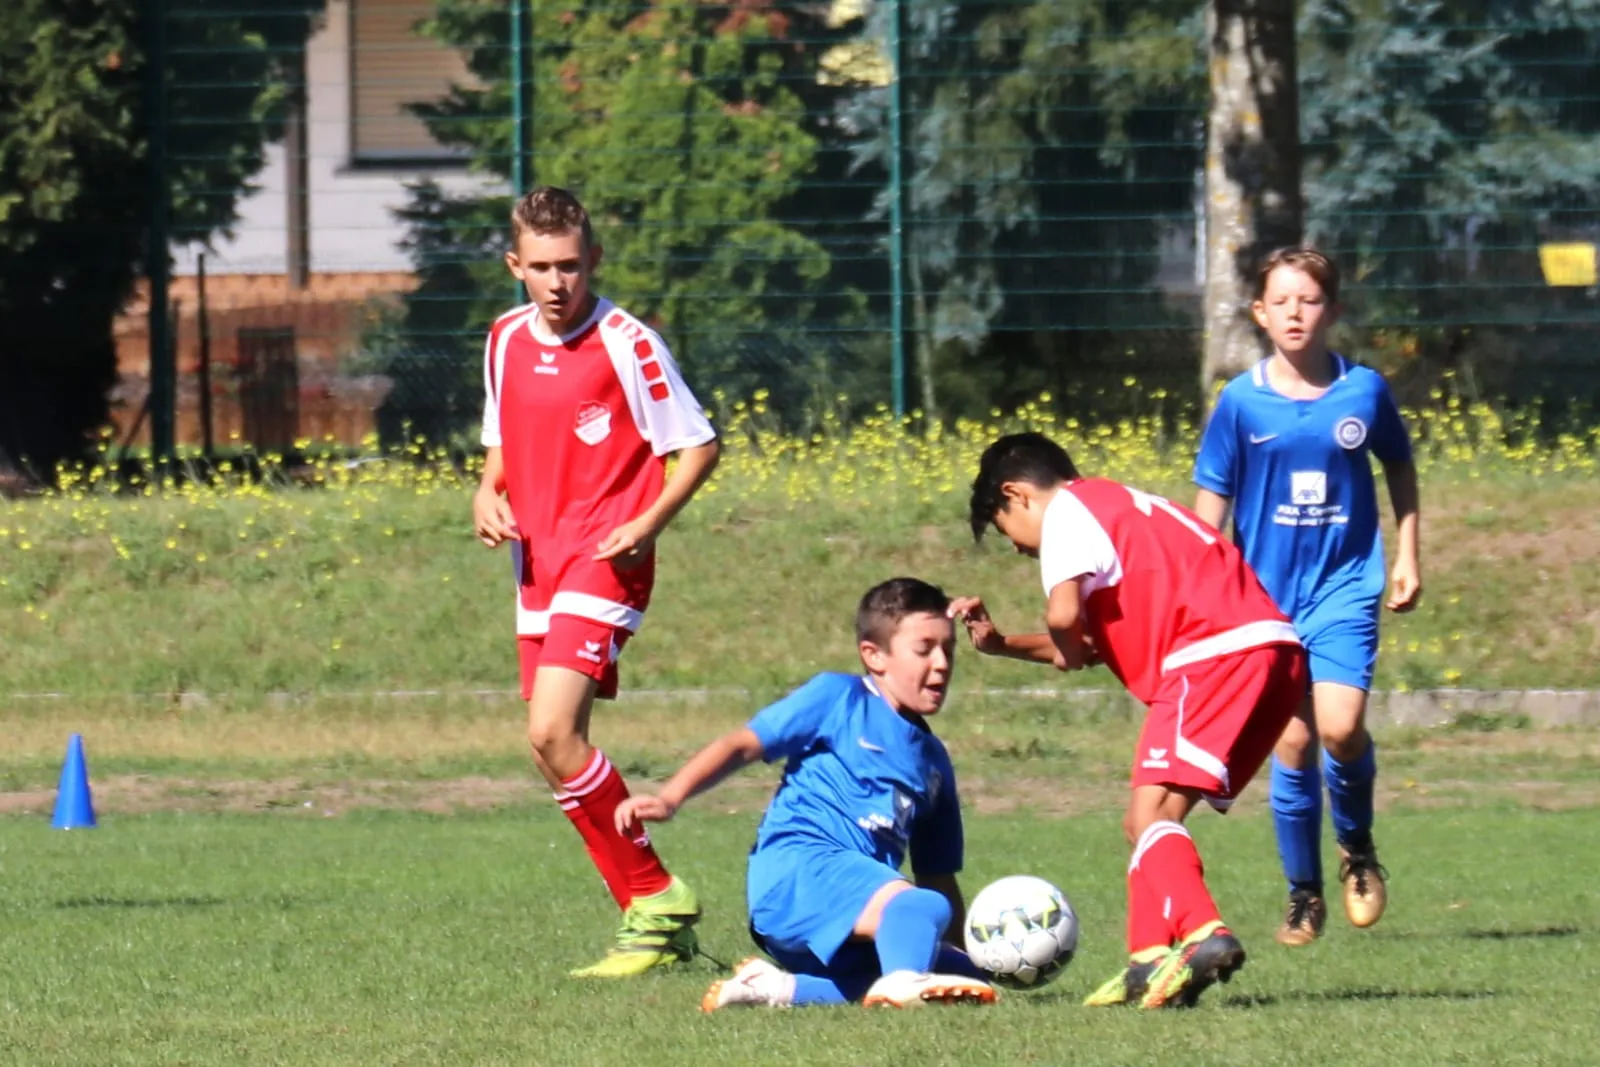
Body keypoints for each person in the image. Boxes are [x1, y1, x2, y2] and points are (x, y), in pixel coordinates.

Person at [956, 432, 1308, 1010]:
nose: (1018, 548)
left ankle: (1204, 932)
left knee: (1149, 816)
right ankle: (1148, 961)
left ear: (1017, 495)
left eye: (1006, 530)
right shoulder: (1122, 509)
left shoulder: (1067, 512)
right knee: (1146, 819)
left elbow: (1064, 620)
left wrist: (1066, 643)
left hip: (1212, 655)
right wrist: (1003, 645)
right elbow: (1089, 647)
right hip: (1270, 652)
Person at [473, 186, 721, 978]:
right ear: (515, 266)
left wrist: (648, 523)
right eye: (542, 266)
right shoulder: (504, 338)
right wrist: (485, 491)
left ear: (595, 260)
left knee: (553, 732)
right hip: (537, 561)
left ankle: (657, 893)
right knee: (549, 749)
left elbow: (699, 444)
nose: (558, 282)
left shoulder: (628, 342)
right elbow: (502, 438)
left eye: (571, 265)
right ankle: (650, 919)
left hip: (608, 555)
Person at [616, 578, 997, 1011]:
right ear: (874, 655)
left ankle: (773, 989)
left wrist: (968, 965)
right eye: (924, 649)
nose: (942, 663)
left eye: (949, 649)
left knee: (960, 972)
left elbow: (938, 875)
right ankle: (903, 983)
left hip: (847, 911)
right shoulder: (841, 698)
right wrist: (670, 797)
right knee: (923, 909)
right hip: (798, 872)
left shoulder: (933, 762)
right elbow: (742, 744)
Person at [1192, 246, 1421, 946]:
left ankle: (1358, 849)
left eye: (1309, 300)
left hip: (1345, 586)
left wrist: (1408, 553)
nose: (1295, 312)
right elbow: (1211, 503)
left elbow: (1400, 465)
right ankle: (1304, 893)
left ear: (1333, 310)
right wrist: (1201, 588)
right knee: (1291, 742)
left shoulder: (1363, 391)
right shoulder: (1241, 402)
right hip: (1264, 599)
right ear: (1260, 313)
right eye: (1281, 301)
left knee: (1341, 728)